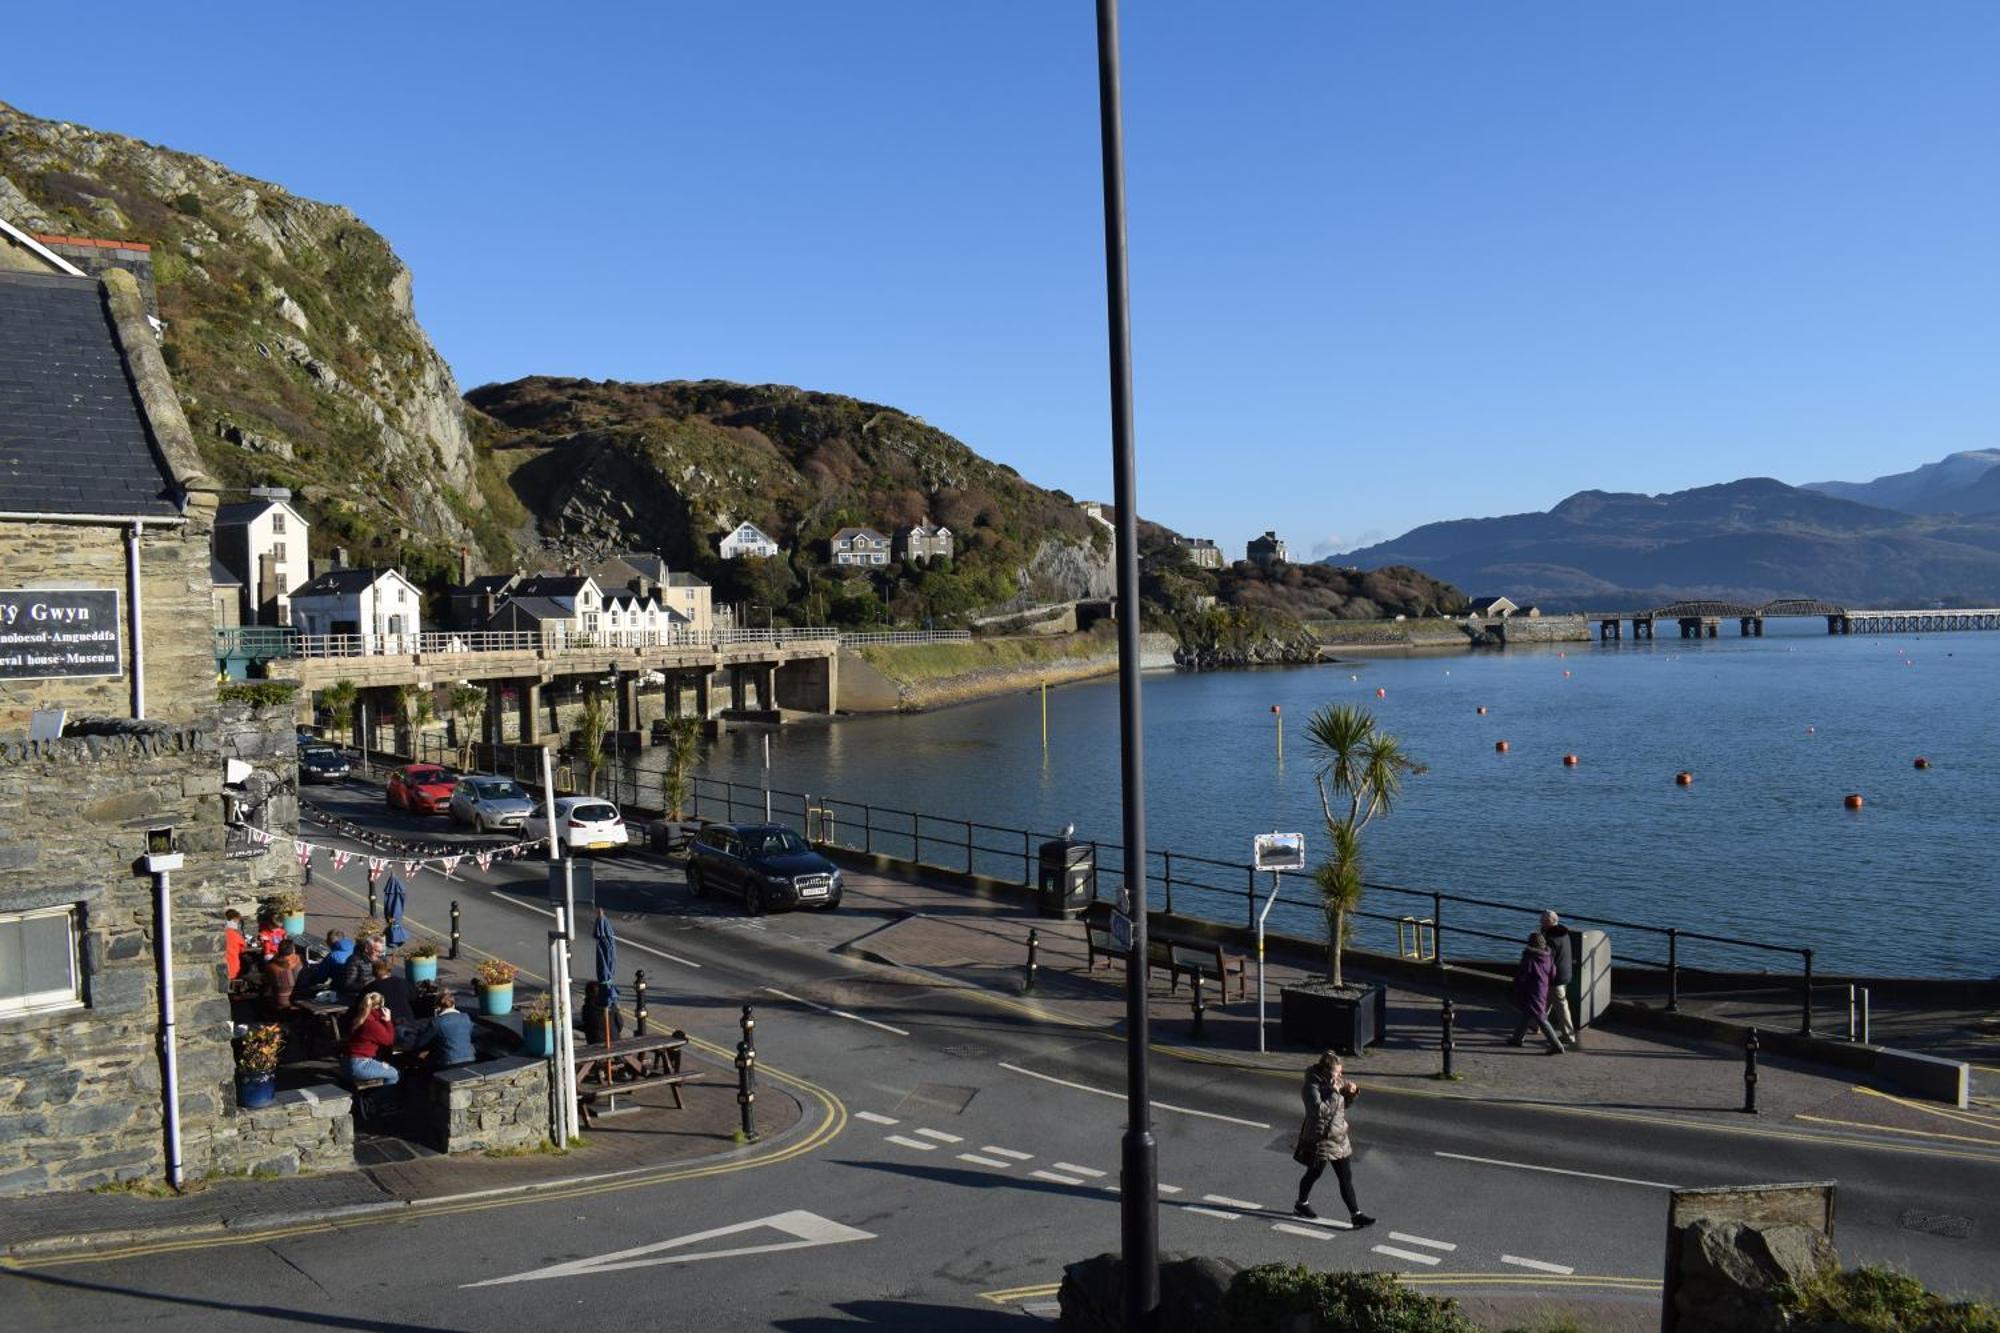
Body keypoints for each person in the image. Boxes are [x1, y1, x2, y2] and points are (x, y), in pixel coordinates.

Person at [1292, 1051, 1373, 1227]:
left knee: (1345, 1178)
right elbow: (1318, 1111)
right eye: (1337, 1072)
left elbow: (1343, 1107)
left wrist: (1352, 1093)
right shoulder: (1311, 1086)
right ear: (1326, 1072)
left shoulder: (1335, 1082)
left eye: (1340, 1072)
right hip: (1320, 1138)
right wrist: (1336, 1094)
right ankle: (1301, 1204)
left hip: (1339, 1138)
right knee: (1314, 1173)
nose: (1340, 1076)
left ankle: (1356, 1215)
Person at [1508, 931, 1566, 1053]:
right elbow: (1553, 972)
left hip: (1530, 989)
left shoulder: (1529, 956)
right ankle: (1517, 1038)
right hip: (1542, 988)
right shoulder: (1548, 955)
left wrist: (1516, 986)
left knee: (1540, 1016)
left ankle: (1556, 1045)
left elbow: (1523, 974)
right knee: (1529, 1012)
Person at [343, 991, 400, 1087]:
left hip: (347, 1062)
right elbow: (389, 1041)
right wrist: (388, 1021)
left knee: (384, 1066)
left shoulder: (360, 1018)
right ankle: (373, 1100)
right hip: (359, 1065)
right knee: (394, 1074)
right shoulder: (372, 1024)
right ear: (380, 1007)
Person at [1539, 910, 1578, 1043]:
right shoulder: (1563, 933)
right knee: (1547, 1001)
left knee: (1560, 1005)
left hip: (1556, 977)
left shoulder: (1551, 939)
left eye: (1542, 921)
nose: (1540, 923)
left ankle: (1569, 1035)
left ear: (1547, 923)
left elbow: (1546, 959)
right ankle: (1536, 1024)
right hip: (1565, 973)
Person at [413, 989, 475, 1071]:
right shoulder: (466, 1017)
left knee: (421, 1060)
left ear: (437, 1007)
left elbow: (420, 1043)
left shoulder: (437, 1022)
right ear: (453, 1004)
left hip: (448, 1062)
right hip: (470, 1058)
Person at [353, 959, 413, 1031]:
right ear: (389, 969)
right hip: (409, 1020)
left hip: (388, 1025)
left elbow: (360, 1006)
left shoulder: (370, 988)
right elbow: (413, 997)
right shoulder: (402, 981)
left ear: (373, 972)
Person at [259, 938, 303, 1018]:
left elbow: (264, 980)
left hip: (280, 1003)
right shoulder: (299, 963)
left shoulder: (272, 967)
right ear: (293, 950)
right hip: (298, 1001)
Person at [579, 980, 624, 1046]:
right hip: (615, 1039)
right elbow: (620, 1023)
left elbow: (586, 1025)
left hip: (596, 1042)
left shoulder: (587, 1008)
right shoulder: (610, 1005)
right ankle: (620, 1056)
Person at [224, 909, 248, 982]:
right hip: (233, 965)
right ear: (234, 920)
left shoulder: (221, 933)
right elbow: (243, 948)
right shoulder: (235, 935)